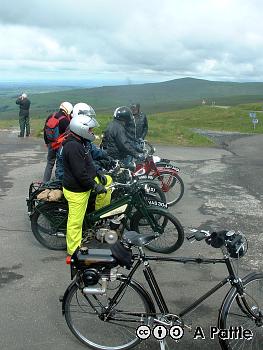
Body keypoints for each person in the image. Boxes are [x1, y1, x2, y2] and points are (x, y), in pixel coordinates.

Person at [62, 105, 112, 256]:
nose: (92, 132)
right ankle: (73, 251)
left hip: (83, 183)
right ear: (81, 129)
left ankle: (99, 217)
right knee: (75, 222)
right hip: (76, 189)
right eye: (90, 129)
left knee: (108, 181)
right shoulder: (73, 147)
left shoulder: (81, 142)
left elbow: (89, 162)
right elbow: (80, 173)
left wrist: (98, 173)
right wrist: (94, 186)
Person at [42, 101, 73, 183]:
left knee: (50, 163)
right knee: (61, 165)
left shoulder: (50, 116)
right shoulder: (65, 120)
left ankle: (45, 182)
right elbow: (69, 134)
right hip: (60, 145)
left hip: (51, 144)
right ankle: (58, 182)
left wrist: (47, 142)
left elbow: (45, 131)